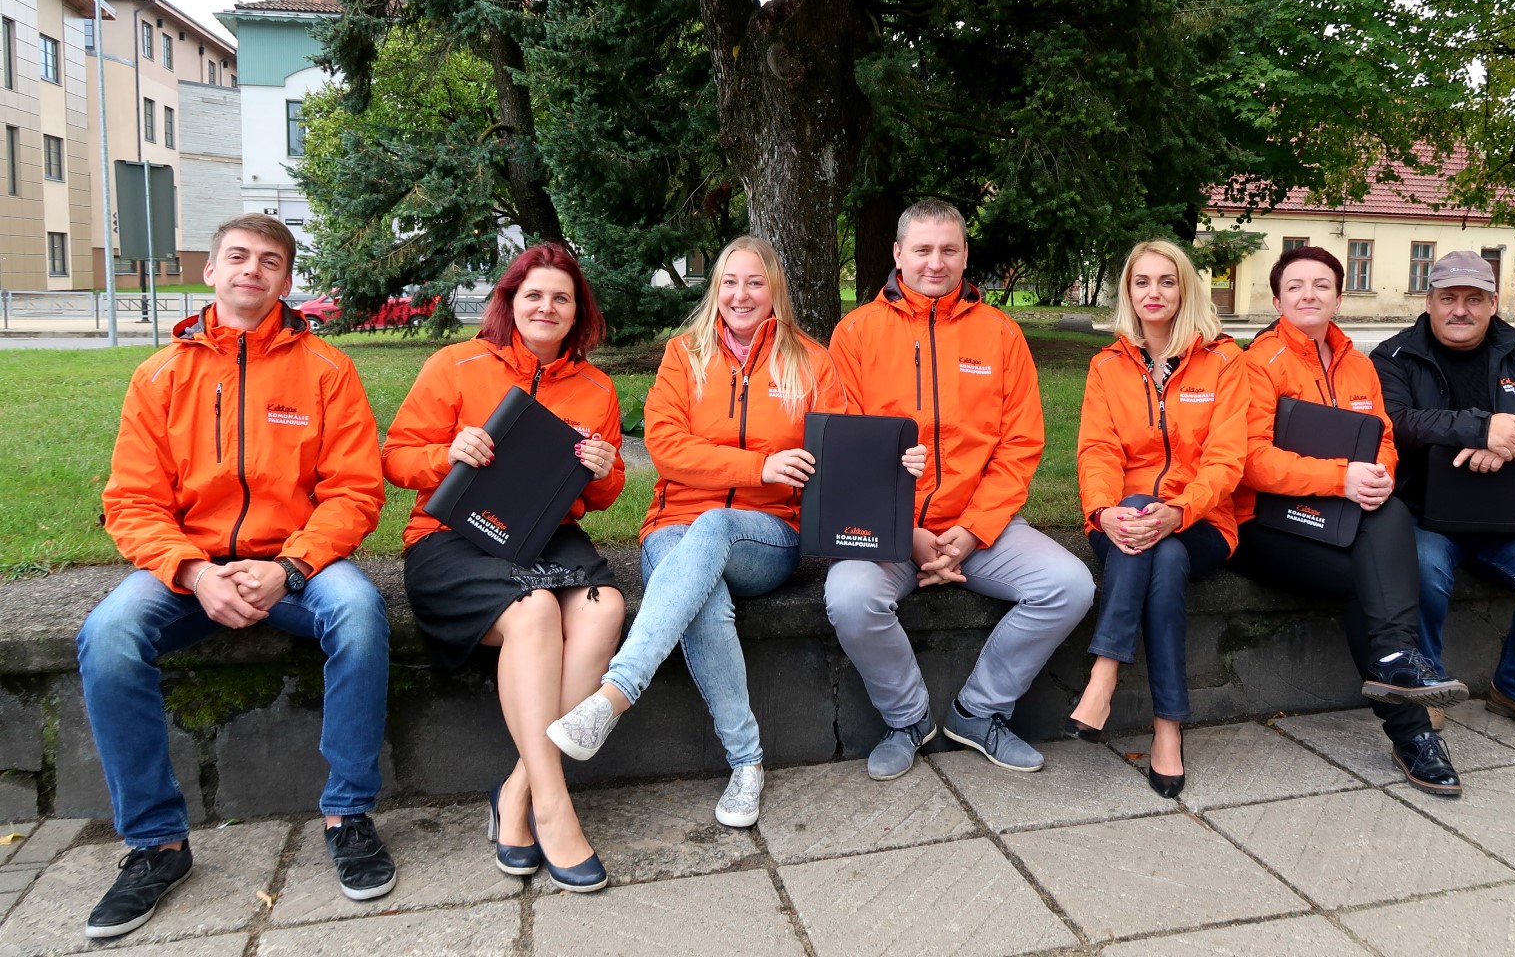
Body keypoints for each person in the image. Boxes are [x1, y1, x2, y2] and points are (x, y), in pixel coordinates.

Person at [78, 215, 393, 939]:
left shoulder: (326, 370)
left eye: (270, 261)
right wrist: (193, 571)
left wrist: (289, 567)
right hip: (189, 565)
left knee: (359, 612)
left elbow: (354, 491)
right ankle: (156, 844)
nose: (253, 269)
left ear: (287, 279)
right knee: (109, 634)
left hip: (297, 563)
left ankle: (348, 814)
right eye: (239, 257)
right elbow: (132, 501)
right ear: (212, 270)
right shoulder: (160, 375)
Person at [551, 237, 919, 826]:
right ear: (715, 289)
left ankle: (615, 693)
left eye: (754, 282)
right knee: (705, 601)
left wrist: (896, 463)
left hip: (767, 534)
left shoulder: (810, 361)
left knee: (718, 525)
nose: (740, 295)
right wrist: (759, 466)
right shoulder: (684, 355)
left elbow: (846, 450)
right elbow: (667, 448)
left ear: (775, 290)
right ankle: (747, 764)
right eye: (729, 282)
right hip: (673, 527)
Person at [824, 199, 1094, 780]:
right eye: (922, 249)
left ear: (965, 255)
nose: (935, 262)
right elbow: (846, 449)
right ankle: (908, 720)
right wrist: (908, 533)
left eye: (948, 249)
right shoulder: (856, 333)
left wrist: (972, 531)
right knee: (849, 597)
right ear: (898, 254)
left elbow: (1020, 445)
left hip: (982, 527)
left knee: (1069, 585)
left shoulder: (1001, 334)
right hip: (888, 528)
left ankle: (980, 711)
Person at [383, 244, 625, 892]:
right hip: (451, 537)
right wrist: (446, 453)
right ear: (510, 302)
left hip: (546, 536)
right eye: (533, 295)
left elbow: (602, 495)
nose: (547, 307)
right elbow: (396, 456)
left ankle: (518, 789)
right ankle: (553, 807)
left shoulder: (597, 388)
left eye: (561, 298)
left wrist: (604, 470)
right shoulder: (454, 365)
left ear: (577, 312)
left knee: (605, 607)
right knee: (535, 610)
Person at [1230, 245, 1470, 796]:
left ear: (1338, 298)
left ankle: (1395, 664)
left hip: (1338, 518)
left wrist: (1381, 474)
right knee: (1376, 580)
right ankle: (1412, 729)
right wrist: (1340, 478)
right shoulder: (1256, 363)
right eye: (1295, 286)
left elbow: (1383, 438)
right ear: (1277, 301)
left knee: (1390, 507)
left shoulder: (1360, 365)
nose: (1308, 295)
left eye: (1321, 285)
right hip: (1265, 524)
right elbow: (1249, 460)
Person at [1373, 249, 1515, 736]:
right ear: (1429, 302)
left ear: (1493, 304)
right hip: (1424, 512)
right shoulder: (1393, 356)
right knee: (1418, 571)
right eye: (1448, 297)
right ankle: (1426, 687)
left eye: (1474, 299)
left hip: (1511, 514)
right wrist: (1480, 429)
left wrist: (1507, 439)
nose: (1460, 310)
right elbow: (1397, 421)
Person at [1071, 241, 1248, 797]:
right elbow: (1097, 451)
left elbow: (1227, 459)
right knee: (1160, 556)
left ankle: (1104, 674)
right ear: (1128, 291)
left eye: (1167, 281)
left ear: (1185, 289)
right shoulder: (1107, 366)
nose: (1154, 293)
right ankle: (1168, 728)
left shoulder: (1225, 361)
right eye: (1142, 282)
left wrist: (1179, 510)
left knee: (1169, 549)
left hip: (1203, 520)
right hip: (1122, 519)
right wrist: (1103, 511)